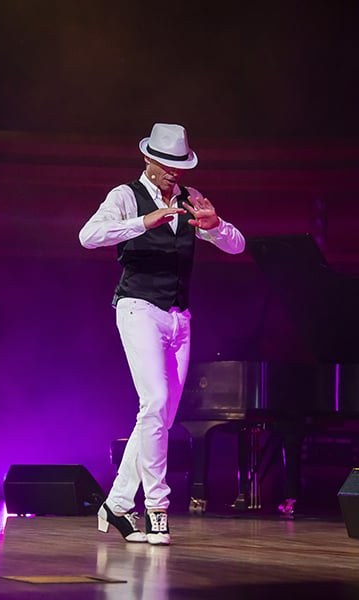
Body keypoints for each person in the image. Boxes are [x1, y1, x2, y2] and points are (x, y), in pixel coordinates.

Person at [79, 122, 246, 545]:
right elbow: (89, 236)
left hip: (178, 318)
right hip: (138, 308)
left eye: (181, 166)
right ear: (149, 160)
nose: (175, 174)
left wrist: (217, 224)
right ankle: (157, 508)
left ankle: (116, 505)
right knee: (153, 402)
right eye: (168, 165)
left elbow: (238, 246)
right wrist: (142, 222)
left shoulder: (190, 201)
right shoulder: (125, 196)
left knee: (161, 416)